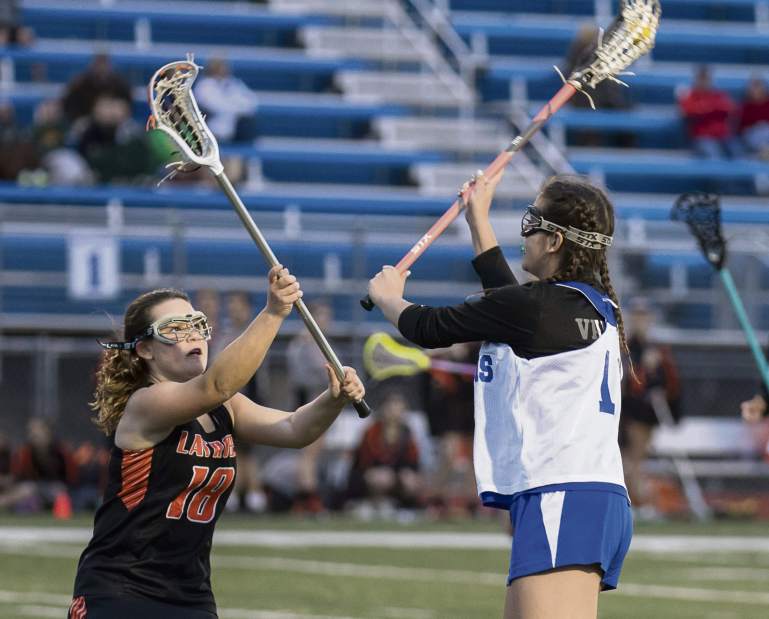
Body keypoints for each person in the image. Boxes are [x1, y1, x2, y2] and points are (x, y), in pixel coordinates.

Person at [368, 172, 632, 619]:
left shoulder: (537, 307)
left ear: (554, 241)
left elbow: (430, 326)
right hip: (583, 494)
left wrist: (390, 298)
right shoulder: (590, 304)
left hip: (560, 495)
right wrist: (478, 222)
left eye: (533, 222)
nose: (524, 233)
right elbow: (512, 305)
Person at [68, 265, 364, 618]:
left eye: (197, 325)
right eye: (176, 329)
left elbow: (294, 429)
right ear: (145, 350)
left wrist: (332, 400)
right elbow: (217, 385)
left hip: (190, 594)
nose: (193, 336)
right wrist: (273, 313)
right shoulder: (146, 403)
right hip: (120, 590)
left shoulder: (225, 407)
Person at [619, 298, 680, 520]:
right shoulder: (626, 347)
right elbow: (628, 380)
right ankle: (636, 503)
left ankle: (636, 503)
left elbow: (665, 384)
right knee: (630, 460)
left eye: (644, 315)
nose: (640, 320)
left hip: (643, 414)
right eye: (637, 315)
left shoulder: (654, 348)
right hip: (625, 412)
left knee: (635, 460)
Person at [346, 391, 421, 518]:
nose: (394, 412)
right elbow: (362, 462)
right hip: (370, 475)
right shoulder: (372, 431)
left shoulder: (407, 432)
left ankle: (404, 507)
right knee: (382, 478)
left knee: (411, 480)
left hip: (395, 475)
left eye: (399, 408)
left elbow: (413, 461)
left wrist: (406, 474)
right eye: (391, 407)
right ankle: (375, 503)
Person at [678, 65, 743, 160]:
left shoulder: (719, 94)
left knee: (737, 152)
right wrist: (709, 108)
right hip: (702, 137)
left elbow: (731, 108)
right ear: (696, 79)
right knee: (713, 155)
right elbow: (686, 112)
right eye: (701, 78)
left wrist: (706, 108)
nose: (704, 81)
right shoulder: (690, 96)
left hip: (723, 136)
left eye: (706, 78)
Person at [193, 57, 259, 143]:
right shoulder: (204, 85)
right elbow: (214, 105)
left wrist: (233, 107)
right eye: (219, 67)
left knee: (249, 123)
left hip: (235, 126)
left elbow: (251, 103)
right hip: (211, 126)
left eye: (224, 67)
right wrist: (234, 106)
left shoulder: (234, 83)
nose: (222, 70)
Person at [738, 76, 769, 160]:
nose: (755, 90)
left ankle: (762, 155)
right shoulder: (745, 106)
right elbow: (741, 128)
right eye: (753, 88)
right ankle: (763, 154)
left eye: (758, 87)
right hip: (752, 133)